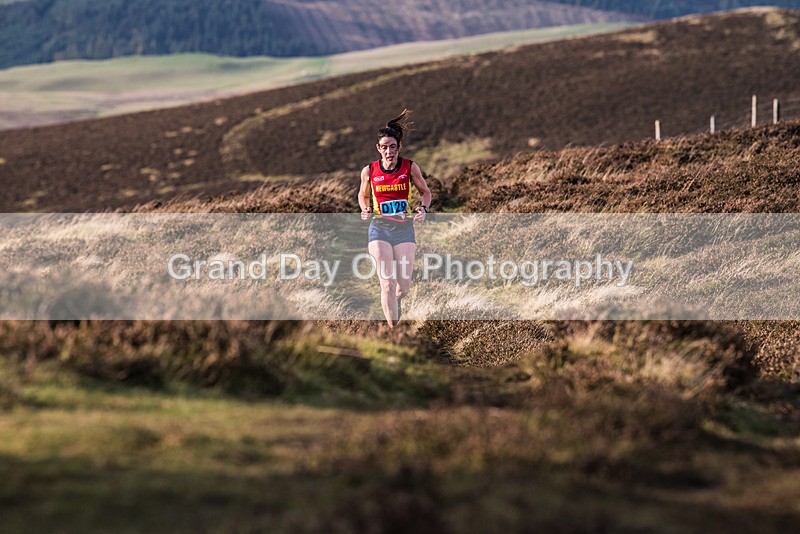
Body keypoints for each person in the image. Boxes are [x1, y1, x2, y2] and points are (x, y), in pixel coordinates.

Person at [358, 109, 431, 328]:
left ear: (399, 147)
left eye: (393, 146)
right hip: (379, 229)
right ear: (378, 148)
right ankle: (394, 331)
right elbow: (362, 194)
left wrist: (424, 209)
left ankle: (394, 303)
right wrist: (365, 208)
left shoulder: (410, 167)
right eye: (384, 147)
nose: (389, 151)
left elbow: (425, 192)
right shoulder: (369, 170)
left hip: (403, 230)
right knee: (387, 284)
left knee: (403, 287)